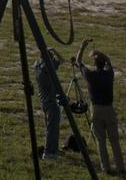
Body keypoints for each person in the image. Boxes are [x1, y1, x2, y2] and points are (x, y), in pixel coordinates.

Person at [74, 38, 124, 175]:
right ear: (104, 64)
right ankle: (120, 167)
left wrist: (82, 47)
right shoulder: (109, 74)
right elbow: (109, 62)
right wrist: (99, 53)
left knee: (100, 140)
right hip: (109, 109)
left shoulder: (90, 75)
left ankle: (105, 167)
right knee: (114, 140)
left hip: (96, 109)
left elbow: (78, 62)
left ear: (95, 65)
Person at [33, 47, 65, 161]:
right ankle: (48, 152)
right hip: (51, 102)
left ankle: (53, 149)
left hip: (44, 101)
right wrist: (55, 50)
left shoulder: (37, 65)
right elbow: (62, 60)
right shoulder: (47, 67)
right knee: (52, 128)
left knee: (51, 127)